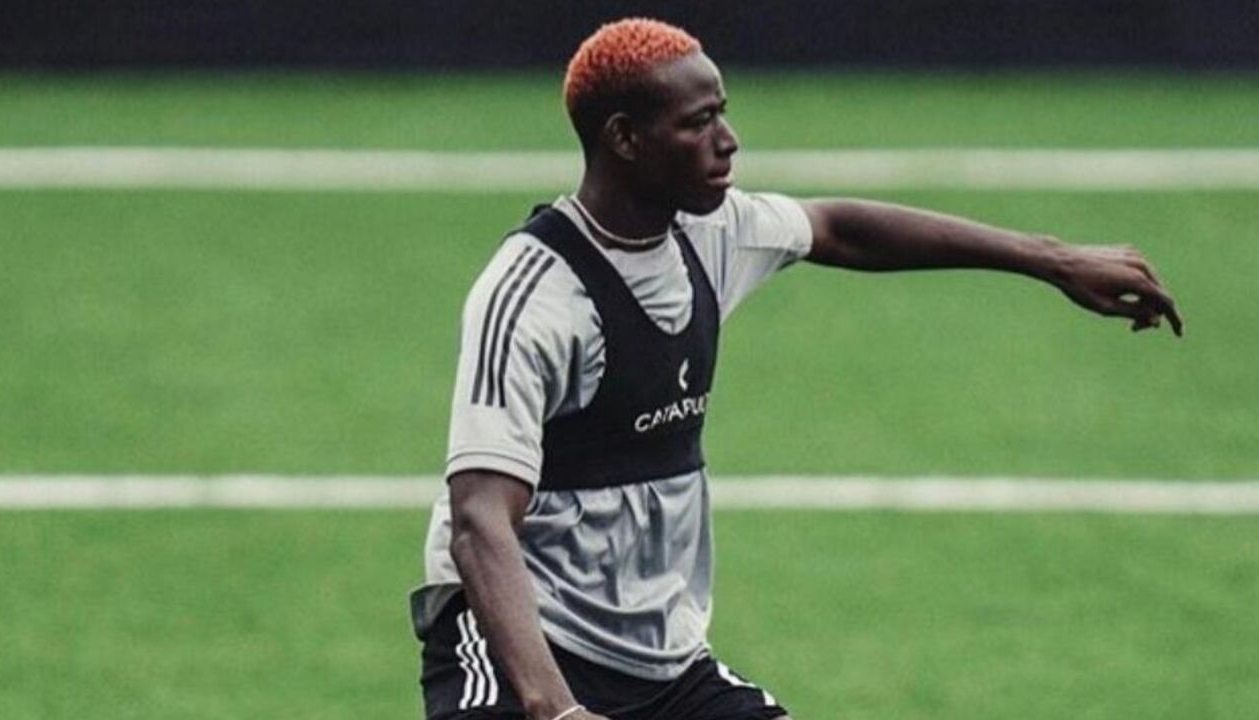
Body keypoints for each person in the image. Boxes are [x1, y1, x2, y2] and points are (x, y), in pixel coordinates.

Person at [409, 17, 1182, 720]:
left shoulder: (709, 235)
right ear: (624, 138)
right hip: (513, 648)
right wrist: (555, 711)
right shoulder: (533, 297)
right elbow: (479, 519)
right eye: (697, 122)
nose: (728, 140)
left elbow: (837, 228)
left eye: (721, 113)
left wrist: (1051, 260)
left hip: (656, 656)